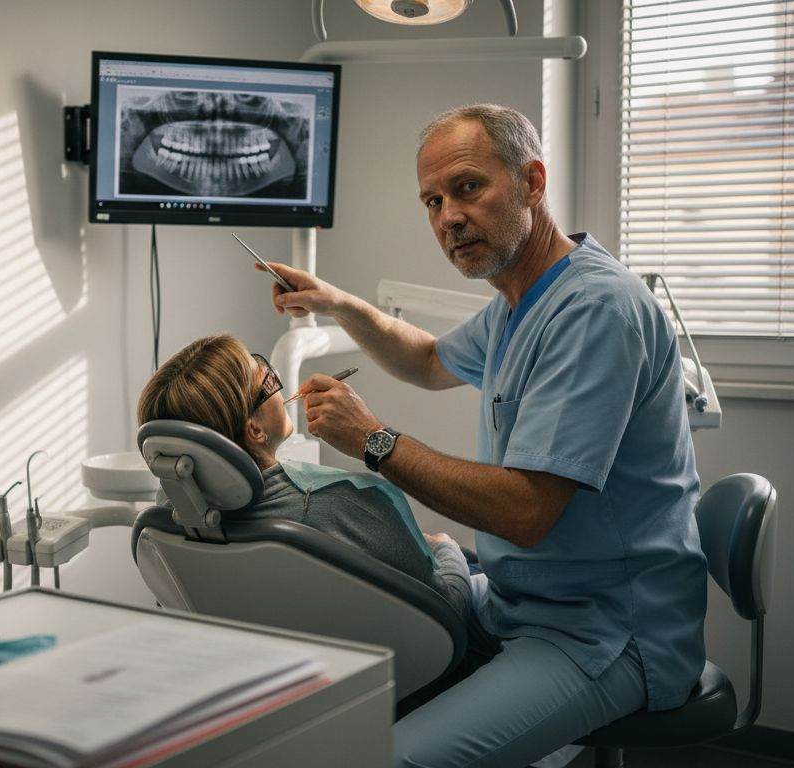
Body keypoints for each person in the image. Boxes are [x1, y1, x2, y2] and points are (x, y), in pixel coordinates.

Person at [264, 104, 708, 768]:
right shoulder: (518, 302)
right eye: (433, 201)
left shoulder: (594, 311)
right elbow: (428, 360)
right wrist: (341, 304)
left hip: (605, 630)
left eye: (468, 188)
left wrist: (374, 441)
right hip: (520, 601)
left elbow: (526, 512)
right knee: (341, 696)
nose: (447, 217)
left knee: (391, 758)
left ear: (532, 182)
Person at [135, 332, 473, 623]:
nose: (278, 379)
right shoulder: (351, 506)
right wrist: (446, 549)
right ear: (254, 429)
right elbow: (451, 610)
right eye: (267, 380)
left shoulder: (174, 517)